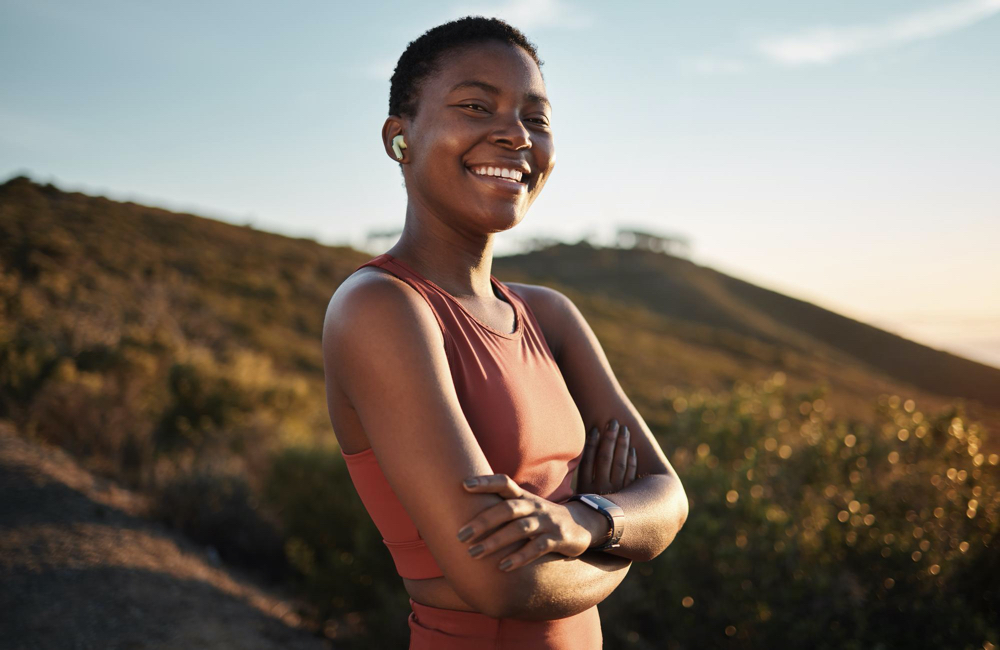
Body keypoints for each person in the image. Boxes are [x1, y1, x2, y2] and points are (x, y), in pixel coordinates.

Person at [322, 15, 689, 649]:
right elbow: (504, 584)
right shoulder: (381, 307)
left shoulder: (549, 314)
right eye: (475, 105)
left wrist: (583, 521)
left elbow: (670, 498)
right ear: (399, 137)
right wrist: (624, 542)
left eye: (536, 118)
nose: (516, 135)